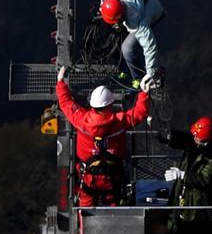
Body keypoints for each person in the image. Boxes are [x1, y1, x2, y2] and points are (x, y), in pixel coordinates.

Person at [56, 66, 150, 206]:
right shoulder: (120, 121)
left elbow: (66, 103)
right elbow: (139, 113)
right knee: (113, 207)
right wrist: (144, 93)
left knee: (85, 208)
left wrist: (60, 82)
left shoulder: (81, 120)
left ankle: (85, 220)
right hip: (112, 177)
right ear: (110, 104)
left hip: (88, 177)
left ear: (92, 105)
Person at [158, 116, 212, 234]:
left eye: (197, 137)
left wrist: (182, 175)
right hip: (185, 195)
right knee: (176, 224)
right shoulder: (198, 143)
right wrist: (168, 136)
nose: (194, 139)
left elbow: (205, 179)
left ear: (206, 140)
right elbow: (185, 140)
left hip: (199, 204)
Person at [99, 0, 165, 86]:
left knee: (127, 49)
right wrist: (102, 4)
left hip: (151, 13)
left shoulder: (138, 23)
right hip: (133, 8)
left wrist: (151, 72)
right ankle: (124, 69)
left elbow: (150, 46)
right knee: (109, 34)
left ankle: (139, 77)